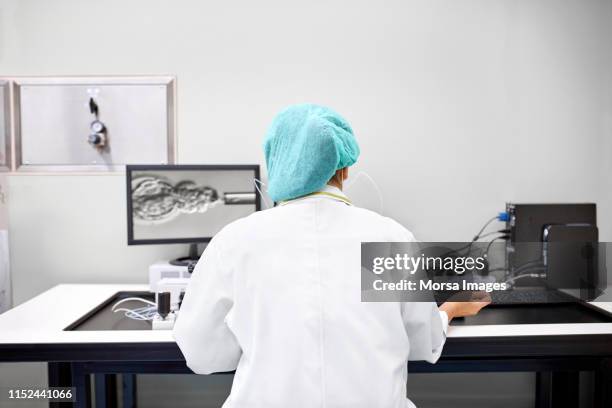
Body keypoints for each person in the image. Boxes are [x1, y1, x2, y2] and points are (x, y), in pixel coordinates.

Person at [173, 104, 490, 408]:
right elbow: (420, 342)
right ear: (346, 166)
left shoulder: (236, 240)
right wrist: (448, 310)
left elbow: (201, 355)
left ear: (277, 164)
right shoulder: (388, 237)